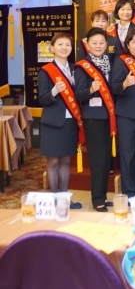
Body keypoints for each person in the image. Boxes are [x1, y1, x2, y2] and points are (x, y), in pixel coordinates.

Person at [38, 33, 82, 209]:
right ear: (52, 48)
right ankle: (53, 200)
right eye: (60, 44)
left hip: (71, 122)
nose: (64, 48)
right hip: (53, 123)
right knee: (53, 161)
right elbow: (42, 99)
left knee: (65, 160)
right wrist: (55, 91)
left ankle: (64, 199)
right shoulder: (46, 71)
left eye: (68, 45)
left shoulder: (75, 69)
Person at [74, 27, 115, 212]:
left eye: (101, 42)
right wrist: (91, 89)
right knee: (98, 160)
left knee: (106, 159)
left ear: (106, 44)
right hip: (93, 118)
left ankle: (103, 196)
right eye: (94, 43)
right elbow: (79, 94)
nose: (98, 46)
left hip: (109, 116)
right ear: (87, 45)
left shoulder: (110, 63)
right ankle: (97, 199)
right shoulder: (82, 66)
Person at [109, 25, 135, 197]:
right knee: (127, 154)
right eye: (134, 42)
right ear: (128, 44)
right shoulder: (122, 61)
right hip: (127, 115)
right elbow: (114, 87)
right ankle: (129, 190)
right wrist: (125, 84)